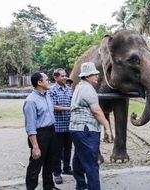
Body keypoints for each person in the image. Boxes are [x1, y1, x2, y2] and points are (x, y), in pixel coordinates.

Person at [69, 62, 113, 190]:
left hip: (76, 129)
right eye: (94, 74)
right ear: (87, 76)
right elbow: (97, 111)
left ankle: (81, 186)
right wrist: (107, 127)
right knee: (91, 163)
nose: (97, 76)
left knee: (78, 158)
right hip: (86, 129)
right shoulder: (88, 89)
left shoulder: (79, 87)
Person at [23, 72, 59, 190]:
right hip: (40, 134)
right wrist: (35, 146)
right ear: (39, 82)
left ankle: (49, 186)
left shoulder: (47, 95)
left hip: (51, 131)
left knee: (50, 161)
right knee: (36, 164)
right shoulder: (31, 101)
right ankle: (31, 188)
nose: (49, 81)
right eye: (47, 80)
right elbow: (30, 126)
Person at [49, 68, 73, 184]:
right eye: (62, 76)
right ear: (56, 77)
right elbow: (52, 106)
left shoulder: (69, 90)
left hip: (69, 125)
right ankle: (57, 173)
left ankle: (67, 168)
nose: (64, 78)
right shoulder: (52, 90)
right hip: (58, 126)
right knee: (57, 151)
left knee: (68, 148)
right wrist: (69, 109)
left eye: (65, 75)